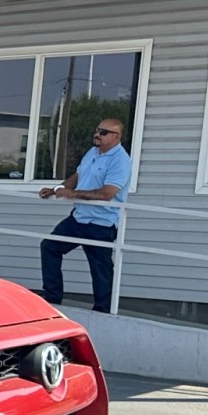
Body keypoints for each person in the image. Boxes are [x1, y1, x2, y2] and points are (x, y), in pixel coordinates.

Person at [37, 118, 131, 312]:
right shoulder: (92, 152)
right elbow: (78, 176)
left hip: (101, 223)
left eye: (104, 132)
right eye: (97, 130)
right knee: (50, 247)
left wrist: (74, 194)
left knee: (100, 269)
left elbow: (107, 193)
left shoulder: (121, 160)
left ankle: (103, 311)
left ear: (117, 136)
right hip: (78, 218)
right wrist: (57, 189)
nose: (97, 134)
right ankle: (52, 297)